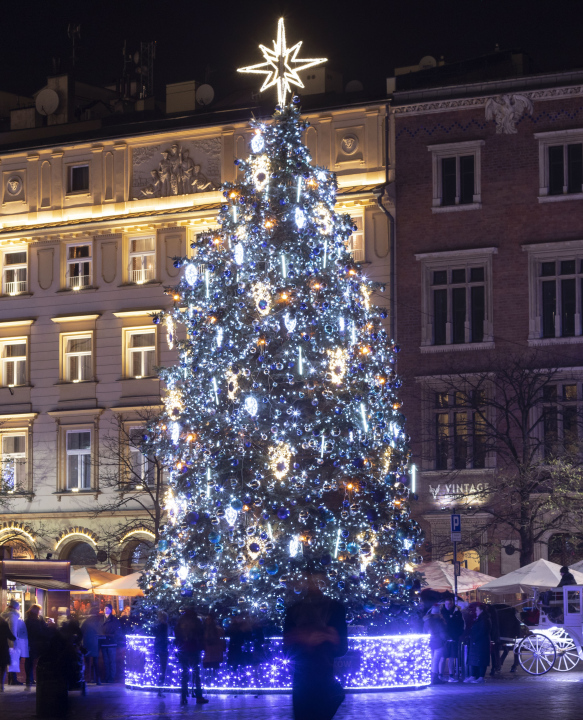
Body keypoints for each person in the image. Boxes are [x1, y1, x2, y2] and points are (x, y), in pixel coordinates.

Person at [284, 573, 348, 720]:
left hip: (319, 675)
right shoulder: (294, 610)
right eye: (310, 580)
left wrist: (330, 638)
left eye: (317, 580)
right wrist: (305, 638)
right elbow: (287, 648)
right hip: (305, 677)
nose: (314, 584)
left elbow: (342, 647)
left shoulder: (335, 609)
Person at [174, 607, 208, 706]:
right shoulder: (197, 622)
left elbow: (177, 635)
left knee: (185, 674)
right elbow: (201, 634)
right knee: (196, 674)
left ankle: (183, 696)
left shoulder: (180, 622)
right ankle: (198, 696)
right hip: (194, 649)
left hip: (183, 650)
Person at [465, 603, 491, 684]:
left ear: (481, 610)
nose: (476, 611)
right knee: (475, 659)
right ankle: (473, 676)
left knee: (480, 659)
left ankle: (480, 677)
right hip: (477, 641)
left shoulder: (484, 619)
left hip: (481, 642)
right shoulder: (481, 618)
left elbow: (482, 631)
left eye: (477, 610)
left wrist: (474, 638)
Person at [423, 604, 448, 685]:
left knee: (431, 660)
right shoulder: (439, 621)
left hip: (430, 642)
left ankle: (430, 677)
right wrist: (446, 639)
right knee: (436, 661)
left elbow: (424, 631)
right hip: (438, 643)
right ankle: (434, 678)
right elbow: (442, 633)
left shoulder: (427, 621)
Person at [441, 596, 464, 682]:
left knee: (452, 657)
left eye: (449, 603)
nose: (448, 605)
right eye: (446, 603)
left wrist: (458, 634)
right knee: (443, 657)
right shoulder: (442, 613)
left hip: (454, 638)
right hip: (445, 639)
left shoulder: (457, 613)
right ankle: (440, 675)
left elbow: (460, 624)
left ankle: (451, 675)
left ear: (452, 603)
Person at [25, 604, 47, 688]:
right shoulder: (32, 620)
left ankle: (30, 678)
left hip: (33, 643)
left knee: (31, 661)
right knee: (31, 661)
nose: (39, 612)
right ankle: (29, 679)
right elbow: (41, 630)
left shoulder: (30, 620)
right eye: (38, 610)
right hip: (34, 643)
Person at [2, 599, 23, 686]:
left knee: (8, 660)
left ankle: (11, 679)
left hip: (3, 641)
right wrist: (14, 643)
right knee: (14, 659)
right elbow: (13, 630)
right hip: (11, 640)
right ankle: (13, 679)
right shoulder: (13, 616)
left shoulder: (3, 615)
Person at [100, 604, 121, 683]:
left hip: (110, 643)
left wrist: (111, 636)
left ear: (111, 610)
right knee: (106, 661)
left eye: (107, 608)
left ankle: (111, 677)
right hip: (105, 642)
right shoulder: (103, 619)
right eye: (105, 608)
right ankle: (108, 676)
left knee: (111, 661)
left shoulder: (114, 620)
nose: (105, 609)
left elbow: (118, 632)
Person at [81, 606, 101, 685]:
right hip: (95, 643)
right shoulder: (99, 621)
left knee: (87, 662)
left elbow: (81, 631)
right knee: (96, 662)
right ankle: (97, 679)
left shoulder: (86, 621)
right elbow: (101, 631)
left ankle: (87, 678)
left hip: (87, 643)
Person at [153, 610, 169, 697]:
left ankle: (160, 689)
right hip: (163, 650)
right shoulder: (164, 626)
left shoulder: (158, 626)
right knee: (163, 669)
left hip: (159, 649)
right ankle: (160, 690)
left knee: (160, 669)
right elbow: (163, 638)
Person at [0, 615, 15, 692]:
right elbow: (10, 636)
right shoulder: (3, 623)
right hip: (2, 648)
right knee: (3, 667)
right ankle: (1, 686)